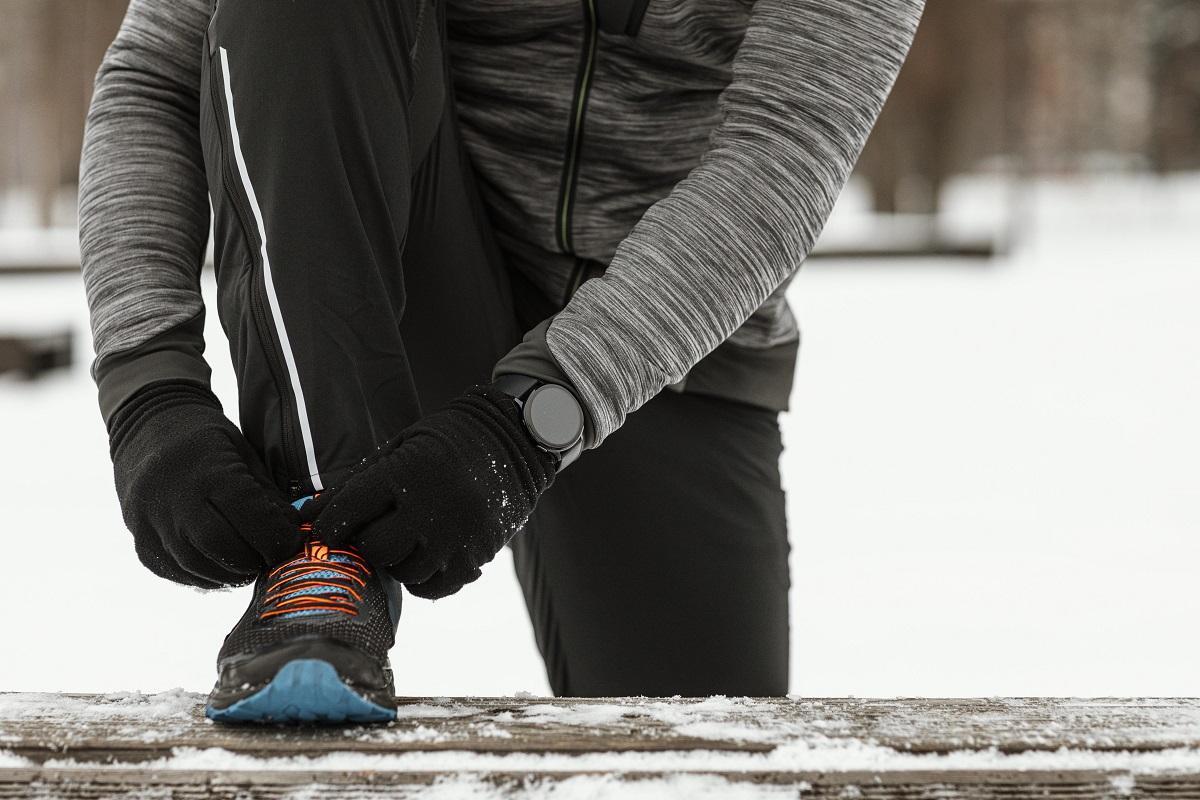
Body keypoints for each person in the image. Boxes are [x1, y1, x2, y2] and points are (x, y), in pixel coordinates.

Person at [80, 0, 922, 723]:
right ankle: (319, 557)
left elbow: (785, 147)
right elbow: (158, 71)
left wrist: (532, 420)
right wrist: (147, 383)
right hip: (404, 275)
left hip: (673, 324)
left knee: (700, 749)